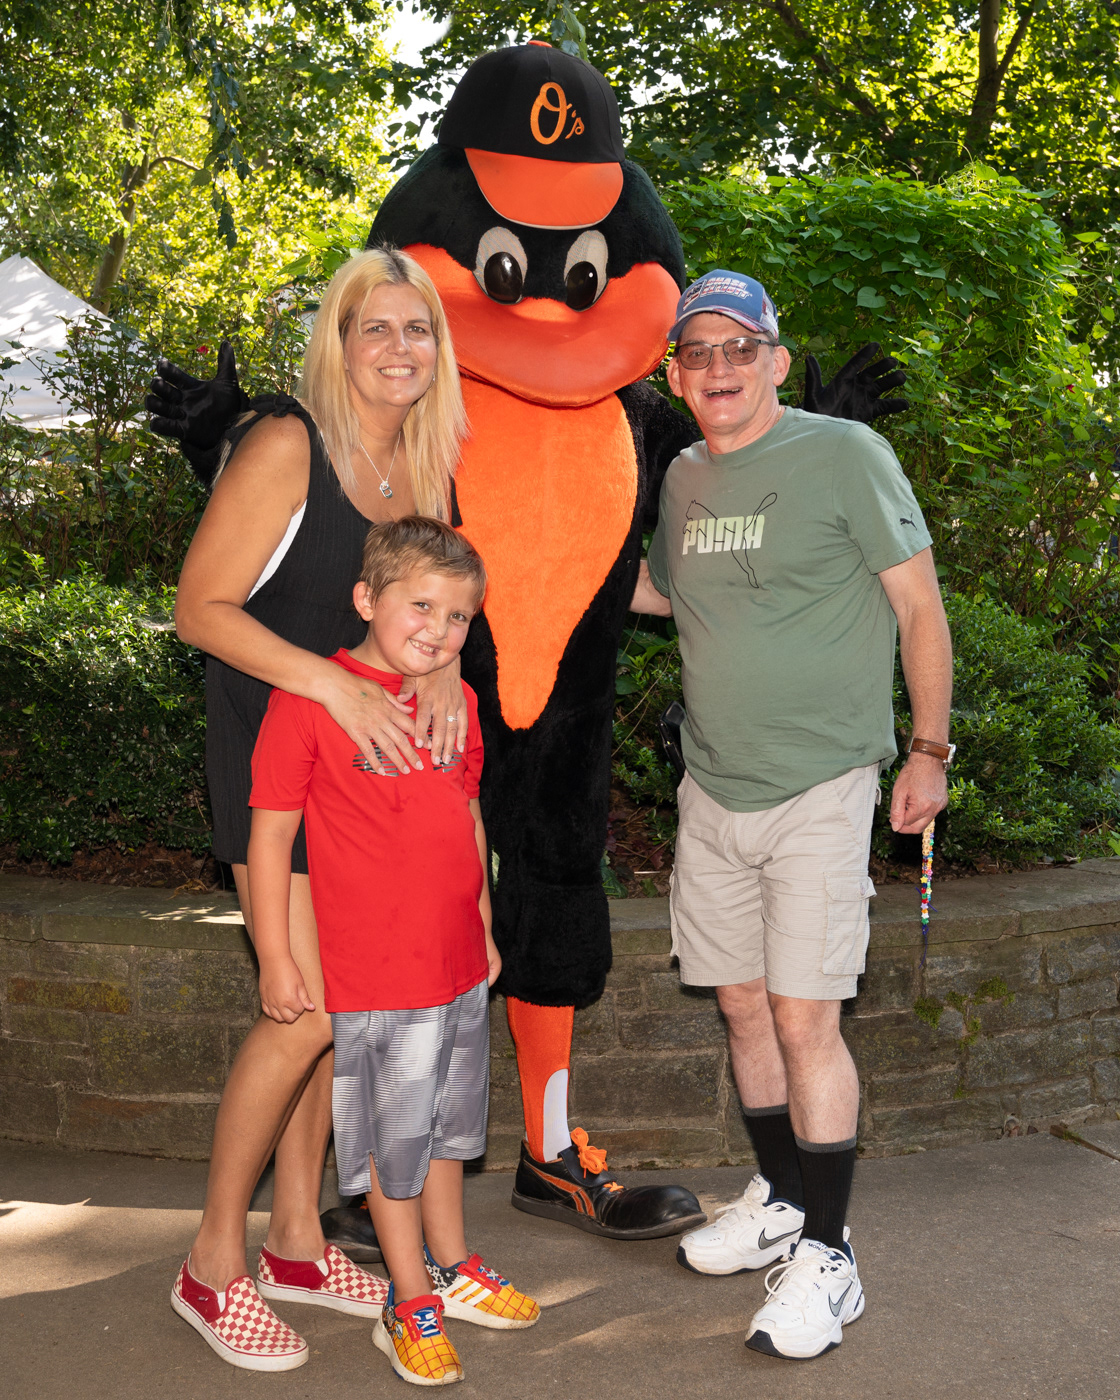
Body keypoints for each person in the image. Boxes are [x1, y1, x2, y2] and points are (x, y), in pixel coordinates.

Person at [631, 269, 952, 1361]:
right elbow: (665, 593)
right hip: (711, 786)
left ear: (773, 358)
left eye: (739, 347)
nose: (718, 367)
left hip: (822, 784)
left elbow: (918, 606)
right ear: (677, 375)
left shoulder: (845, 453)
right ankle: (777, 1195)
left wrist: (928, 750)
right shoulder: (682, 476)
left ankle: (829, 1252)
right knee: (740, 1007)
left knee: (805, 1018)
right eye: (696, 352)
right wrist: (549, 562)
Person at [170, 248, 470, 1371]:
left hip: (368, 789)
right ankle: (212, 1263)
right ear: (337, 344)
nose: (399, 348)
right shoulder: (287, 443)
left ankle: (297, 1238)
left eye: (417, 329)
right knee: (304, 1010)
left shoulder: (426, 462)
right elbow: (200, 607)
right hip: (278, 770)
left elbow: (426, 609)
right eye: (373, 327)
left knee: (346, 1010)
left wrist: (444, 674)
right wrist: (331, 685)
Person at [243, 517, 539, 1386]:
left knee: (449, 1130)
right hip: (376, 973)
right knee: (393, 1148)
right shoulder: (311, 701)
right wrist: (276, 956)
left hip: (456, 965)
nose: (440, 631)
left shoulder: (457, 701)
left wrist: (484, 921)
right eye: (422, 607)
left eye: (459, 617)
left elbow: (467, 814)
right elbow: (271, 839)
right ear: (366, 599)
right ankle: (407, 1299)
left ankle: (452, 1264)